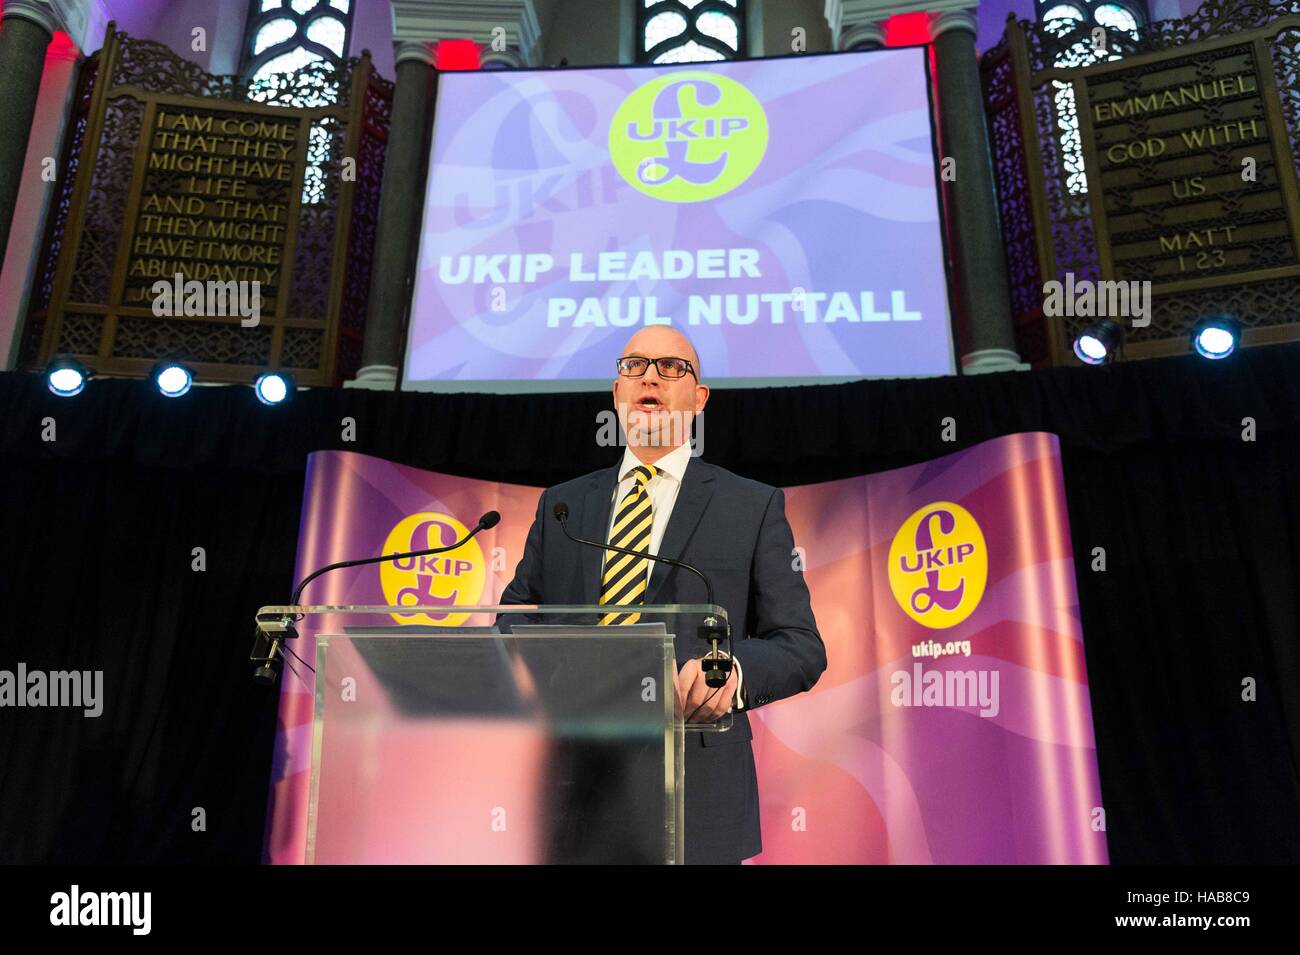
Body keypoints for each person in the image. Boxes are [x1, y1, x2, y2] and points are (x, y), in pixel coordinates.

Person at [501, 326, 826, 864]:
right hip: (578, 788)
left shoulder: (751, 506)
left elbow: (800, 645)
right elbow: (512, 621)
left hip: (695, 789)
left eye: (672, 367)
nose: (650, 376)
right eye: (634, 365)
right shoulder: (562, 507)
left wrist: (727, 669)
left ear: (698, 400)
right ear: (616, 393)